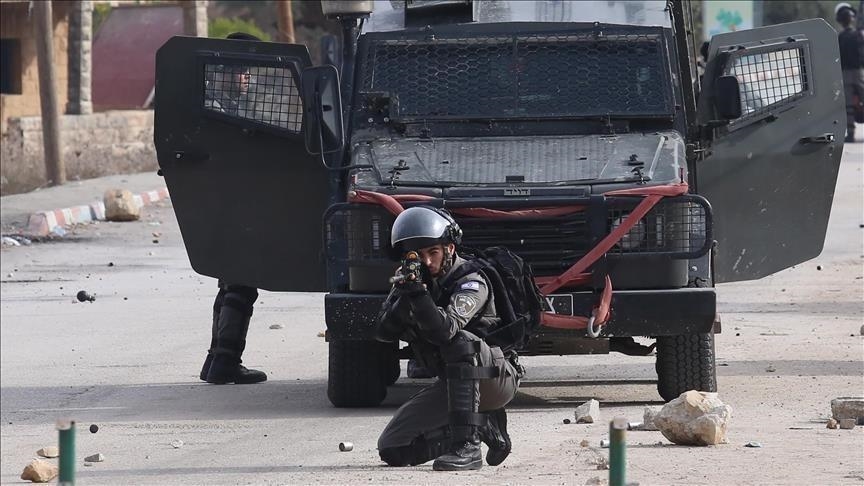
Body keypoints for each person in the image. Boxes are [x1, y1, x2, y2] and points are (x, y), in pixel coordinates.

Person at [374, 206, 521, 471]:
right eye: (418, 256)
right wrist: (405, 296)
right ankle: (485, 426)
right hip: (454, 384)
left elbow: (446, 331)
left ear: (450, 249)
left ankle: (468, 447)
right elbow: (383, 333)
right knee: (394, 448)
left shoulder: (471, 281)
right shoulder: (411, 281)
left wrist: (418, 295)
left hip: (494, 377)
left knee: (461, 341)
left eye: (433, 253)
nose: (427, 262)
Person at [198, 32, 267, 385]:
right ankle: (225, 360)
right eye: (241, 71)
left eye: (248, 72)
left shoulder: (220, 105)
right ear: (223, 72)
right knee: (240, 283)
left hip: (224, 206)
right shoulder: (216, 109)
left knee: (230, 283)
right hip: (231, 206)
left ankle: (216, 361)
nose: (246, 78)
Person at [836, 3, 864, 142]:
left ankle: (851, 133)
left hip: (846, 73)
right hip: (858, 72)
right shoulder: (858, 35)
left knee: (848, 105)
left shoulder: (840, 37)